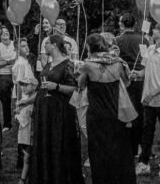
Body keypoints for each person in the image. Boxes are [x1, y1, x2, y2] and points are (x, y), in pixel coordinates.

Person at [78, 33, 136, 184]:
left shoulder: (87, 65)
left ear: (89, 47)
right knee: (118, 148)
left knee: (98, 151)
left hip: (96, 114)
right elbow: (127, 83)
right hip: (115, 112)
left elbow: (81, 85)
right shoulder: (118, 63)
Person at [28, 35, 84, 184]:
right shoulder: (48, 64)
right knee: (45, 141)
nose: (44, 46)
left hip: (60, 110)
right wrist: (26, 101)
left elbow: (75, 89)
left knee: (58, 141)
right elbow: (41, 87)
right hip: (44, 110)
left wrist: (57, 87)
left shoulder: (68, 64)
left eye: (46, 43)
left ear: (54, 45)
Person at [136, 25, 160, 178]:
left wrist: (152, 94)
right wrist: (135, 73)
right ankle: (143, 162)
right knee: (147, 131)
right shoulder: (150, 49)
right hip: (149, 100)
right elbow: (144, 71)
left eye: (155, 30)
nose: (152, 31)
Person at [116, 14, 145, 155]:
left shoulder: (117, 40)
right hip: (139, 79)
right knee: (138, 113)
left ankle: (124, 143)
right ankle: (137, 145)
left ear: (122, 24)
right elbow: (146, 58)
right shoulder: (143, 39)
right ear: (135, 24)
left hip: (123, 81)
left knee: (122, 111)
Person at [13, 42, 37, 182]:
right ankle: (21, 160)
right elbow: (19, 84)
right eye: (22, 46)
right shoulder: (21, 64)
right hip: (24, 99)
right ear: (16, 49)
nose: (26, 47)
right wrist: (19, 102)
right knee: (24, 131)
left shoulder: (26, 62)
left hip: (28, 98)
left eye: (27, 45)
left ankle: (24, 162)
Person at [0, 25, 17, 131]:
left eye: (7, 31)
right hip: (4, 74)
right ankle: (7, 124)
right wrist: (8, 62)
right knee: (5, 98)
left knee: (21, 97)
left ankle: (21, 121)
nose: (5, 33)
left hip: (17, 73)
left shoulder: (15, 44)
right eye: (2, 32)